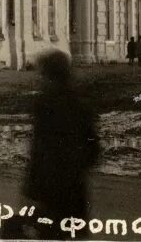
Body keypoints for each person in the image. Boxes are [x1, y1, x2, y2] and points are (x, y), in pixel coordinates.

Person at [22, 50, 99, 238]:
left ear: (50, 76)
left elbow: (38, 152)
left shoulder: (44, 105)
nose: (40, 80)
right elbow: (93, 149)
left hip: (49, 192)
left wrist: (30, 192)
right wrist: (76, 169)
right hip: (74, 192)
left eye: (43, 75)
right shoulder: (80, 104)